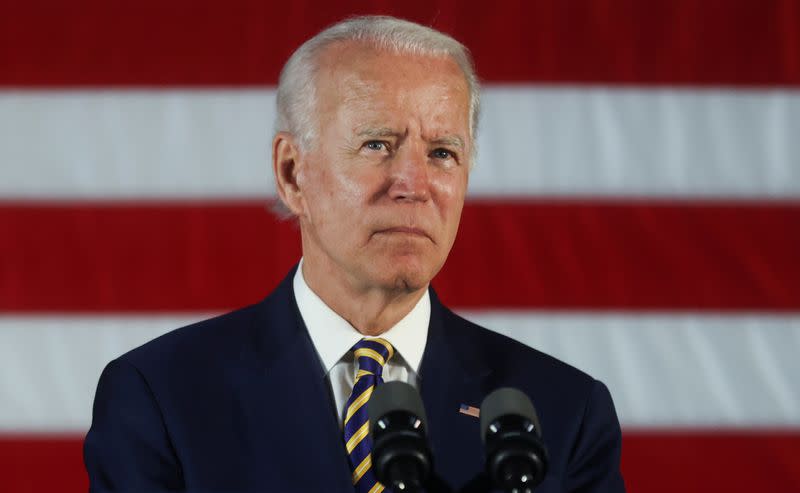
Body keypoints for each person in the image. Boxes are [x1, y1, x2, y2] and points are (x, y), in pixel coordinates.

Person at [84, 15, 625, 493]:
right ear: (292, 173)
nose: (414, 184)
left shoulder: (564, 411)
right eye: (377, 145)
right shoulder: (162, 400)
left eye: (442, 152)